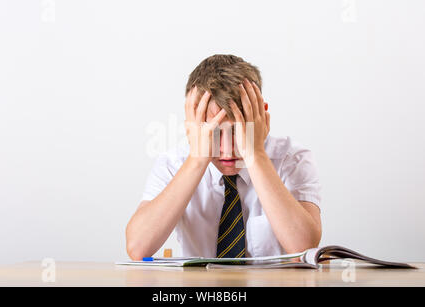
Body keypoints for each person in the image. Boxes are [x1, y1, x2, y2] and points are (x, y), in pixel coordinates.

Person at [126, 54, 322, 260]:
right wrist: (197, 160)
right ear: (192, 125)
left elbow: (303, 246)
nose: (227, 151)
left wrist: (255, 155)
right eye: (214, 133)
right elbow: (138, 248)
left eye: (238, 131)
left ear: (262, 118)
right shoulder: (173, 163)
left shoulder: (293, 159)